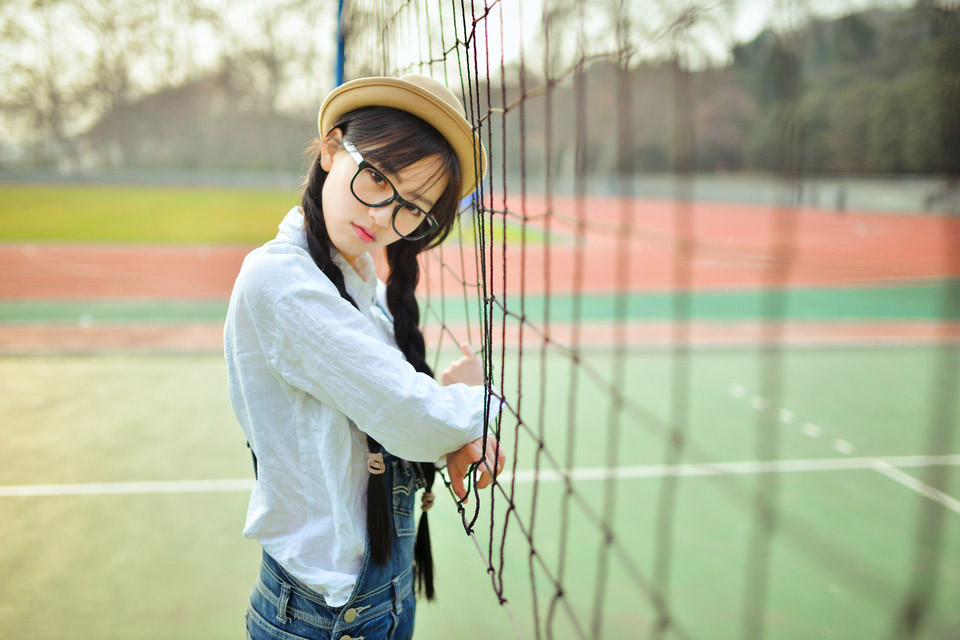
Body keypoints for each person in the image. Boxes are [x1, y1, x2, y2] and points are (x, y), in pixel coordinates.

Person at [223, 74, 506, 640]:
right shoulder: (283, 280)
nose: (382, 215)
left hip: (378, 594)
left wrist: (454, 433)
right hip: (326, 614)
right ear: (331, 147)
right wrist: (484, 403)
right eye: (377, 176)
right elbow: (409, 417)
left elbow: (399, 413)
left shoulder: (356, 281)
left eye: (411, 206)